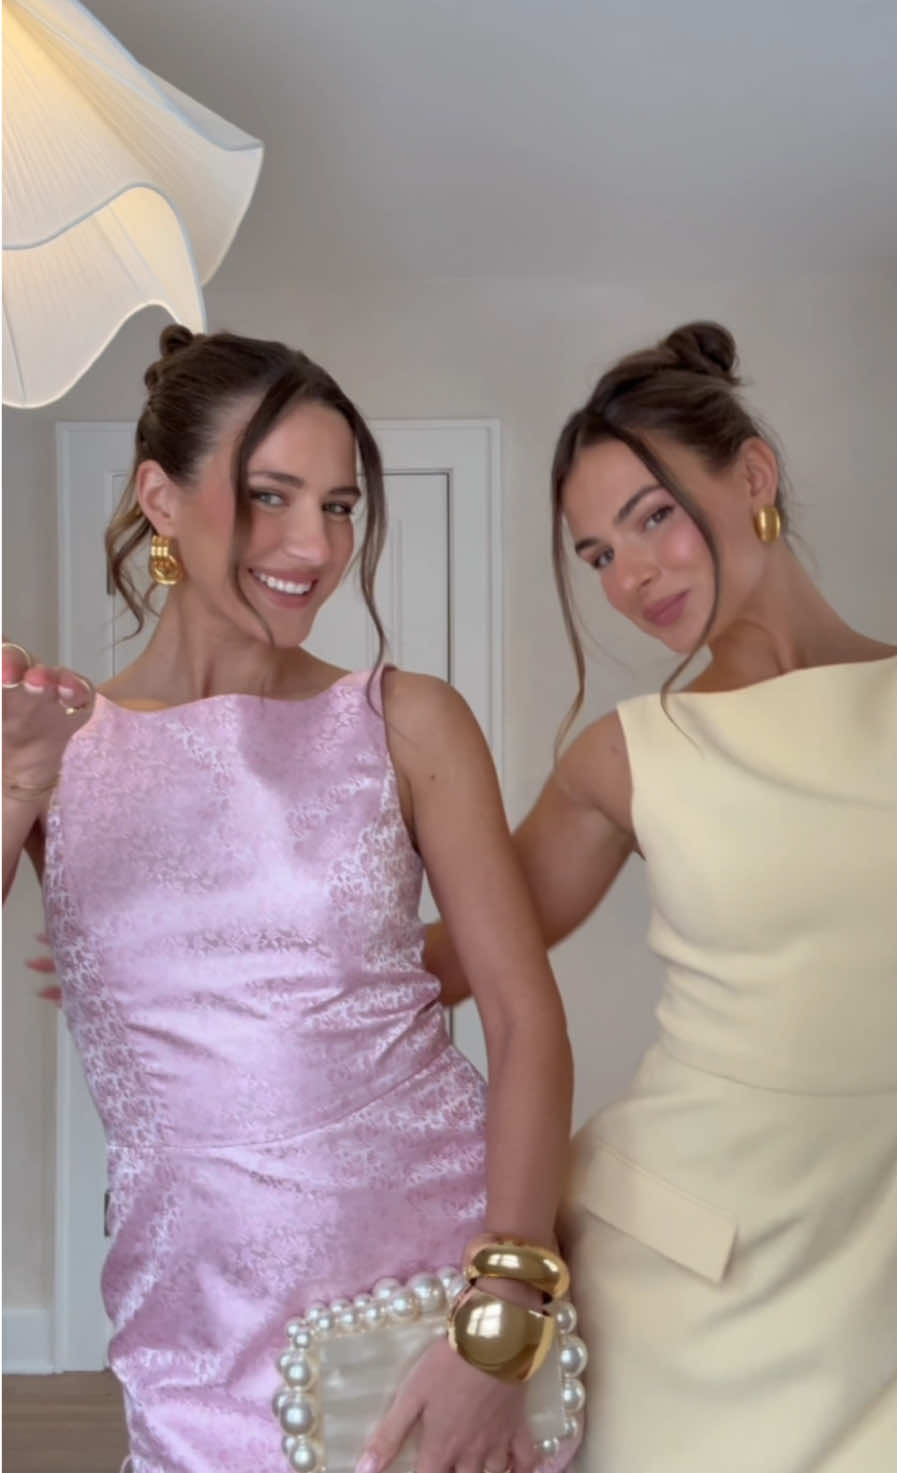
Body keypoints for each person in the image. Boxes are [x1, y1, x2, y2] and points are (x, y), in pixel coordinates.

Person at [425, 321, 897, 1472]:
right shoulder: (628, 755)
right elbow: (455, 961)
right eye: (596, 554)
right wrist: (183, 958)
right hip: (694, 1280)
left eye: (651, 518)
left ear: (753, 475)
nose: (630, 576)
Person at [2, 326, 577, 1473]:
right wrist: (18, 786)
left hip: (430, 1294)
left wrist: (503, 1316)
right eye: (270, 497)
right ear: (160, 500)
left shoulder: (406, 720)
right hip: (193, 1320)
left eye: (340, 506)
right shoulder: (58, 741)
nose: (314, 546)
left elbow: (524, 1021)